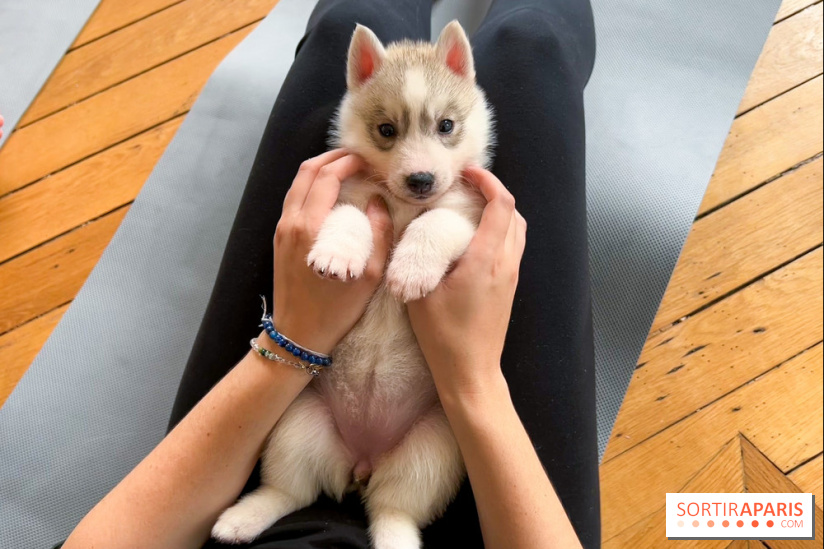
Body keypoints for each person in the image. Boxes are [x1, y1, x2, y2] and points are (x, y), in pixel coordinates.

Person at [61, 0, 599, 547]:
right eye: (387, 131)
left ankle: (397, 514)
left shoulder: (450, 178)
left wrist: (292, 338)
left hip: (311, 375)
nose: (419, 164)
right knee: (536, 43)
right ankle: (298, 496)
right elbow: (356, 212)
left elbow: (437, 226)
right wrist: (474, 380)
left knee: (347, 20)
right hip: (451, 447)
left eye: (444, 128)